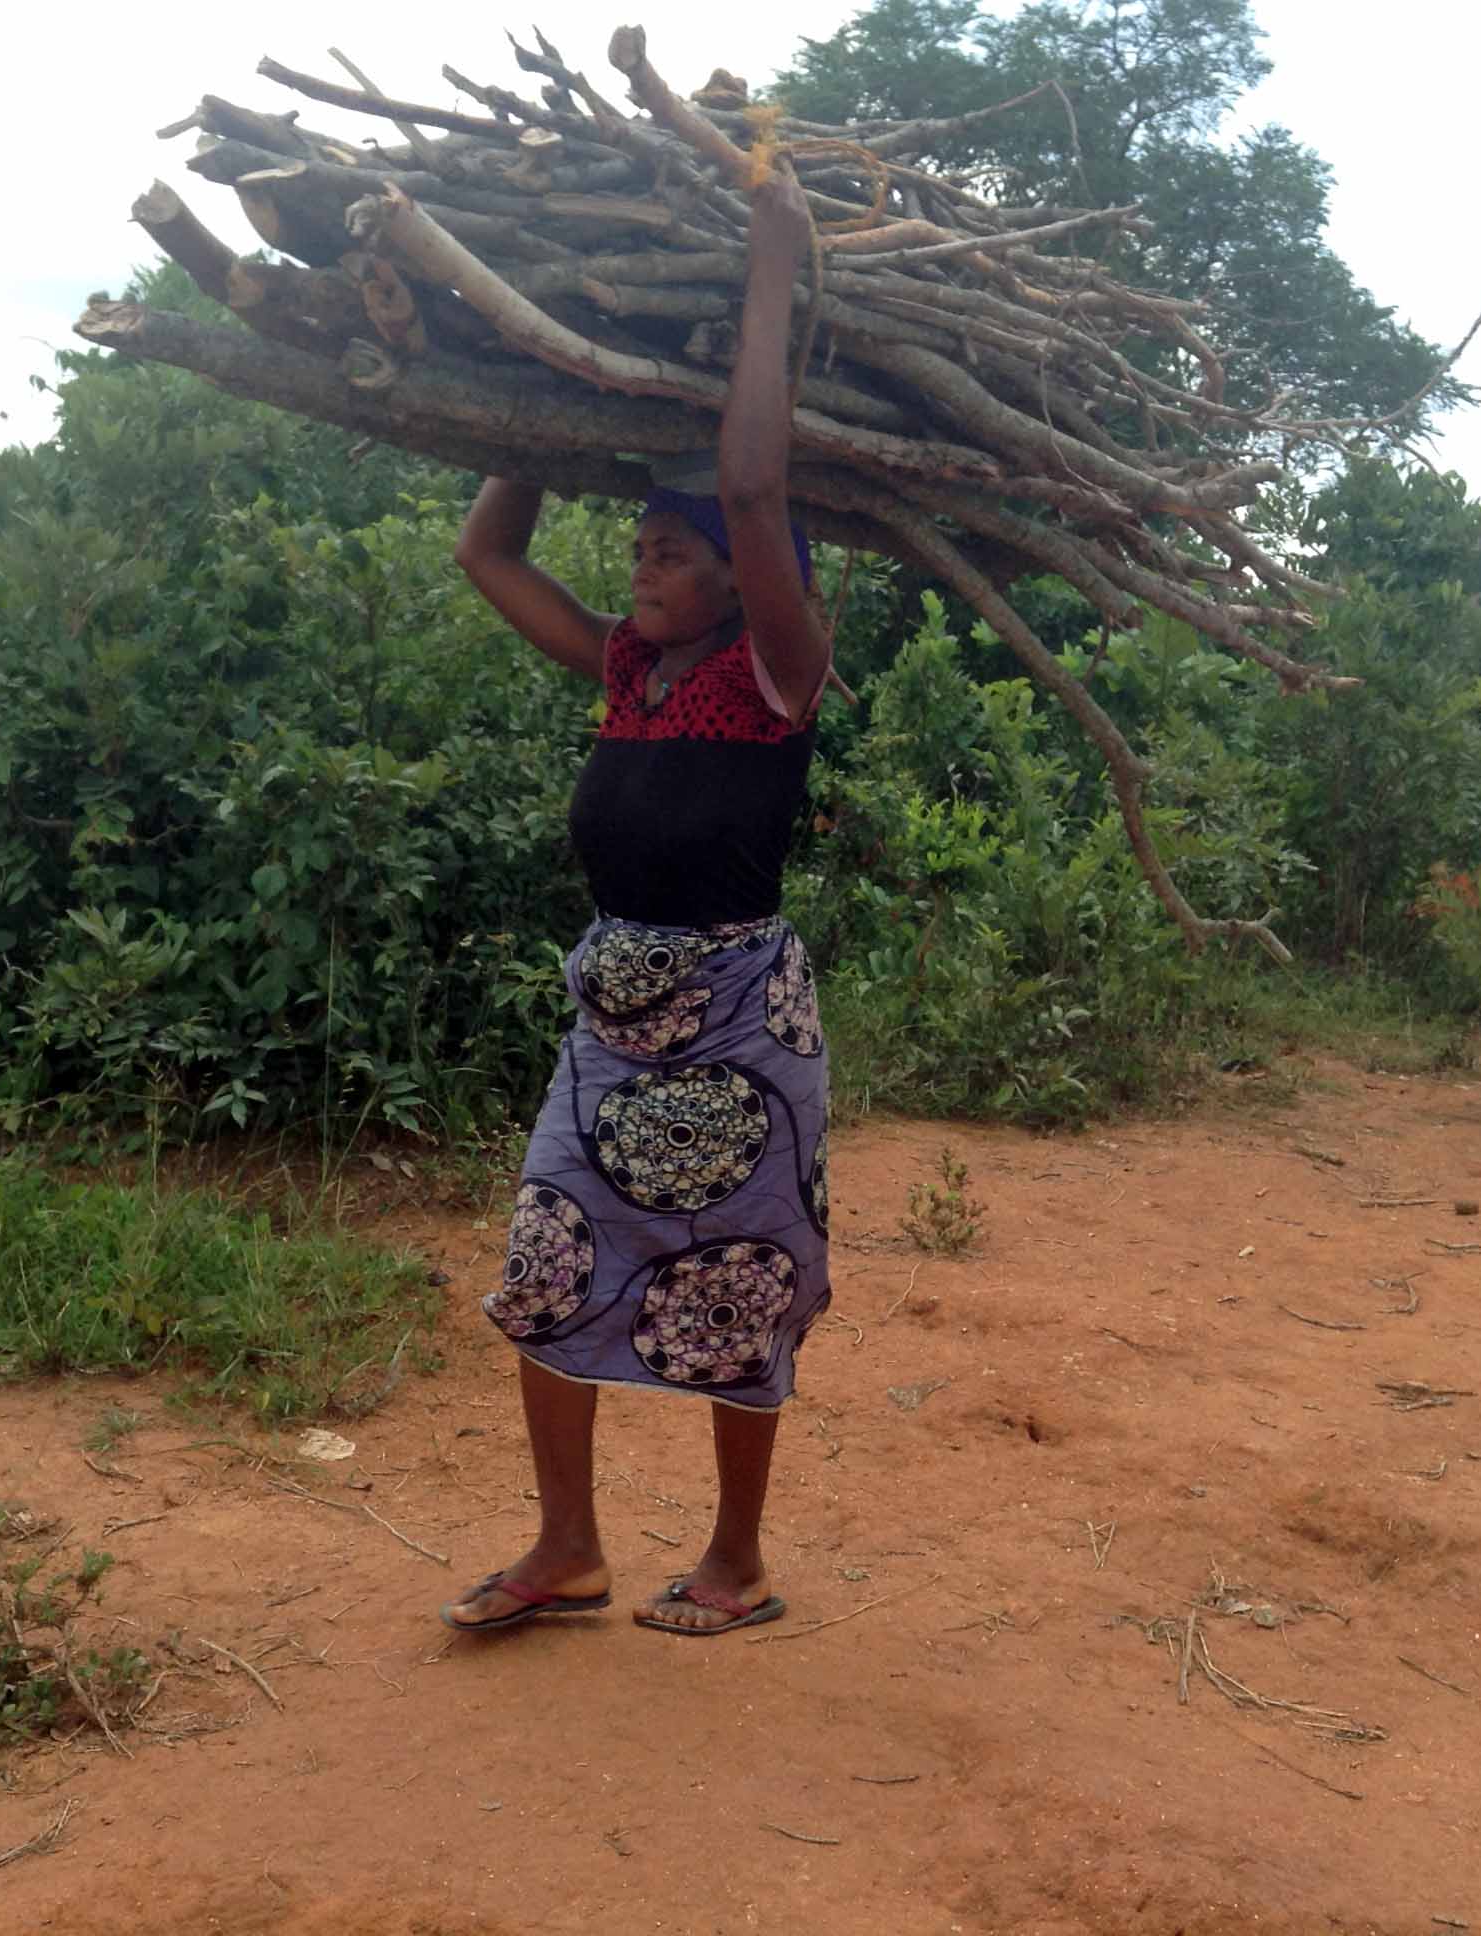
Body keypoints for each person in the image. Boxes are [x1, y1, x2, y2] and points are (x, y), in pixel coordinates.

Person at [438, 164, 835, 1638]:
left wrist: (771, 266)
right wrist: (522, 375)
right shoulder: (631, 671)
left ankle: (737, 1559)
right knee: (544, 1266)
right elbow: (487, 550)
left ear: (747, 578)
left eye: (670, 554)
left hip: (737, 1031)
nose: (643, 565)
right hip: (610, 1021)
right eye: (642, 549)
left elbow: (752, 482)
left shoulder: (776, 672)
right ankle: (569, 1550)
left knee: (738, 1283)